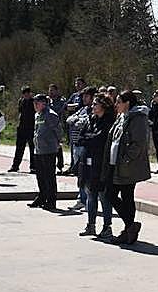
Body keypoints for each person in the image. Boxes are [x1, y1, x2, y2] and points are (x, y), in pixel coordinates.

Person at [106, 90, 151, 245]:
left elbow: (138, 143)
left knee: (125, 196)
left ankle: (129, 229)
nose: (116, 104)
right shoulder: (121, 117)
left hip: (127, 165)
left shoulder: (137, 118)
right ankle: (130, 227)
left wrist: (126, 159)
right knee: (110, 194)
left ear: (127, 103)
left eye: (119, 101)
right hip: (115, 163)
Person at [76, 95, 115, 238]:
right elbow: (80, 138)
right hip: (87, 162)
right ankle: (90, 225)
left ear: (103, 106)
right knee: (90, 195)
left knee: (103, 196)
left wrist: (89, 138)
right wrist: (89, 138)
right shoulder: (90, 120)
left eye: (95, 104)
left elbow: (100, 139)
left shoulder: (109, 122)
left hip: (101, 163)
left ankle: (107, 227)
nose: (92, 106)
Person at [26, 93, 63, 211]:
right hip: (39, 149)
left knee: (49, 176)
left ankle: (51, 201)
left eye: (37, 103)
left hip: (49, 149)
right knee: (40, 176)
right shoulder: (38, 115)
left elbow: (58, 131)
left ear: (44, 103)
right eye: (34, 103)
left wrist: (57, 144)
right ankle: (42, 197)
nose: (35, 105)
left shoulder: (51, 115)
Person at [8, 86, 36, 172]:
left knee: (33, 148)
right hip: (22, 127)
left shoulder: (34, 101)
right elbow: (20, 112)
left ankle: (33, 167)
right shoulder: (21, 101)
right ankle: (15, 166)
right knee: (19, 147)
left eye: (28, 93)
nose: (26, 95)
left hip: (31, 127)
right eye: (24, 93)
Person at [48, 84, 68, 174]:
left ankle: (60, 165)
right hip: (48, 126)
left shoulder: (61, 101)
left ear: (56, 91)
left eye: (52, 90)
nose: (50, 92)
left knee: (58, 146)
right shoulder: (47, 100)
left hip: (57, 126)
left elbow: (58, 110)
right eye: (50, 90)